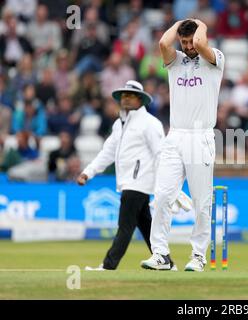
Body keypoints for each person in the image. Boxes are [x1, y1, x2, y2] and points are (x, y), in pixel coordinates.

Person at [77, 80, 190, 271]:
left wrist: (167, 183)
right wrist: (88, 172)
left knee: (125, 226)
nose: (126, 99)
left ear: (141, 100)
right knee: (146, 225)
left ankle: (108, 265)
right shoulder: (118, 125)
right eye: (124, 95)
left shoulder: (150, 123)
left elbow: (161, 154)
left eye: (131, 95)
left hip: (139, 182)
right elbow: (107, 152)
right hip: (129, 182)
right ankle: (167, 262)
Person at [140, 19, 225, 272]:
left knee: (201, 201)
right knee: (163, 195)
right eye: (184, 42)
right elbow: (162, 42)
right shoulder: (175, 61)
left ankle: (198, 255)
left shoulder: (215, 59)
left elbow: (200, 41)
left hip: (201, 137)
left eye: (190, 41)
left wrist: (199, 24)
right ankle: (161, 254)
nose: (188, 46)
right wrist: (178, 25)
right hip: (175, 136)